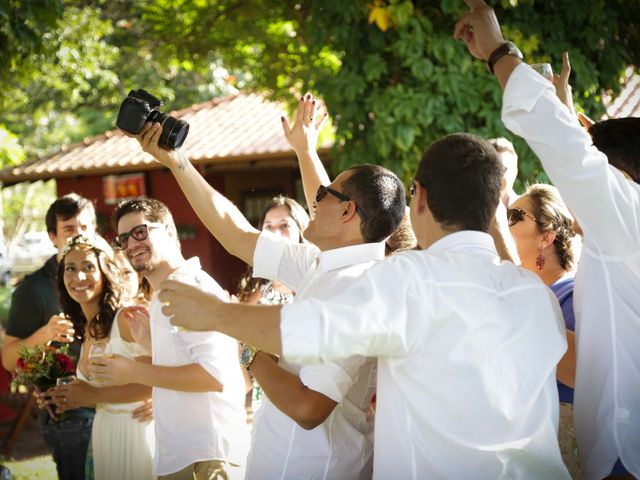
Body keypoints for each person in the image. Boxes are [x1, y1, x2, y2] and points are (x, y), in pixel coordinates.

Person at [160, 129, 570, 478]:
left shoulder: (406, 280)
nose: (314, 203)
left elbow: (309, 331)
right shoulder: (535, 296)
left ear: (420, 198)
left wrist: (215, 314)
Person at [124, 95, 406, 479]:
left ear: (347, 212)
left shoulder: (360, 289)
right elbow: (237, 234)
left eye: (323, 195)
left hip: (314, 469)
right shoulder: (319, 263)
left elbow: (309, 408)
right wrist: (178, 162)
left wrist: (247, 346)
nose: (314, 199)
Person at [455, 1, 640, 477]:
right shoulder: (622, 225)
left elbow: (574, 157)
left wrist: (499, 51)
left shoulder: (628, 218)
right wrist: (569, 111)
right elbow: (581, 163)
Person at [89, 197, 249, 480]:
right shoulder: (165, 294)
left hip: (207, 455)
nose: (131, 244)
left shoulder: (191, 288)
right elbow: (187, 361)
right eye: (123, 239)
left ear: (170, 231)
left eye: (140, 232)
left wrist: (133, 371)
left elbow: (215, 376)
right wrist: (149, 343)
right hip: (180, 455)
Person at [1, 193, 97, 480]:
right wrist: (45, 334)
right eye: (69, 229)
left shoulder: (114, 277)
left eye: (85, 227)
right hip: (72, 419)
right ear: (53, 236)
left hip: (120, 406)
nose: (78, 235)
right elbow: (8, 359)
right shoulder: (32, 290)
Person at [47, 234, 154, 480]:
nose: (79, 277)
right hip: (105, 431)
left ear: (105, 272)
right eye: (70, 269)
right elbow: (96, 392)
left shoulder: (128, 318)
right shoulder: (85, 330)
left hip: (138, 433)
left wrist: (94, 395)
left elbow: (161, 378)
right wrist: (68, 394)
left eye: (88, 267)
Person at [507, 183, 580, 476]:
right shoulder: (516, 294)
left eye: (515, 216)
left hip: (561, 445)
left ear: (546, 237)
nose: (506, 224)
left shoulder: (573, 296)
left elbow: (577, 373)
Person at [489, 137, 519, 206]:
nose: (495, 175)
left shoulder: (526, 213)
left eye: (502, 169)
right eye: (491, 168)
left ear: (514, 173)